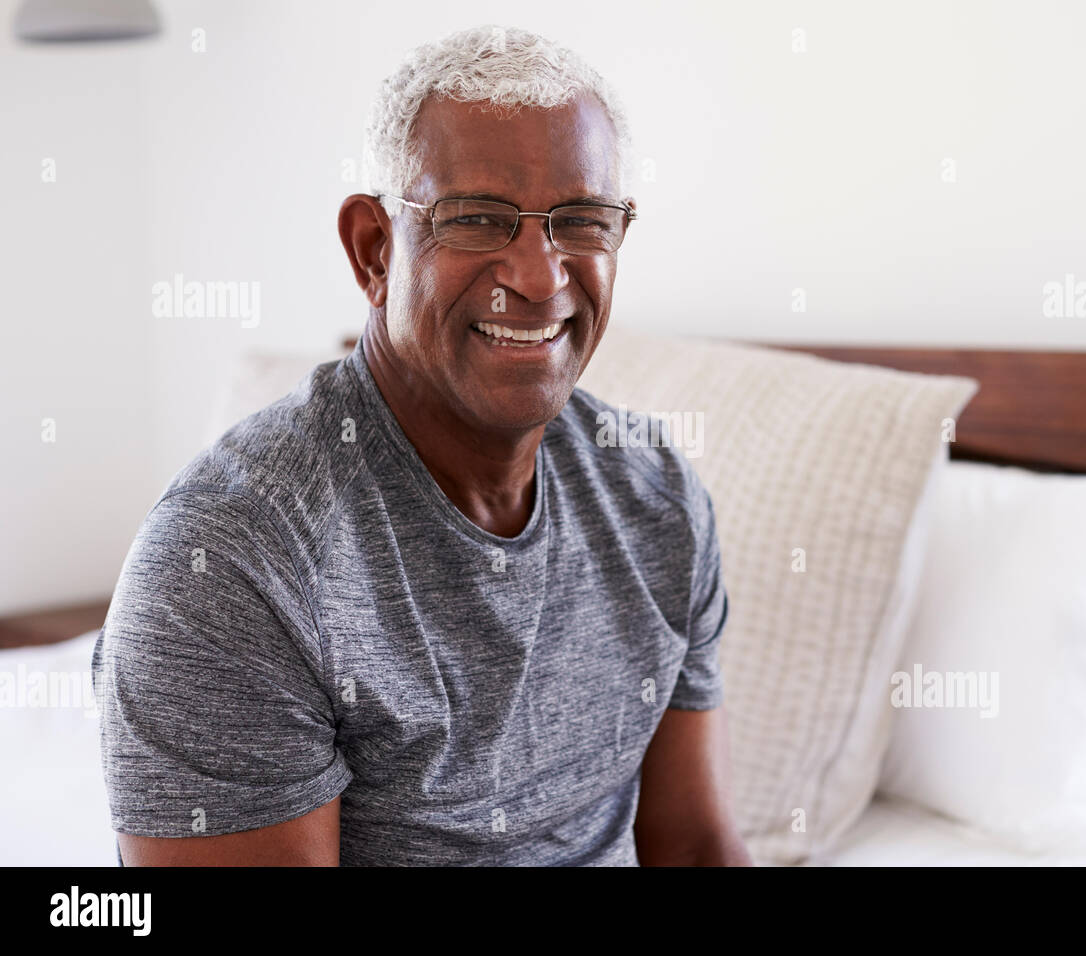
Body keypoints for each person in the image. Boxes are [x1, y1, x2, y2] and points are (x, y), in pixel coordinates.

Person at [91, 23, 751, 866]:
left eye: (582, 220)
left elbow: (693, 846)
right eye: (476, 219)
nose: (541, 276)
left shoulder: (656, 497)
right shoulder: (227, 566)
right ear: (375, 250)